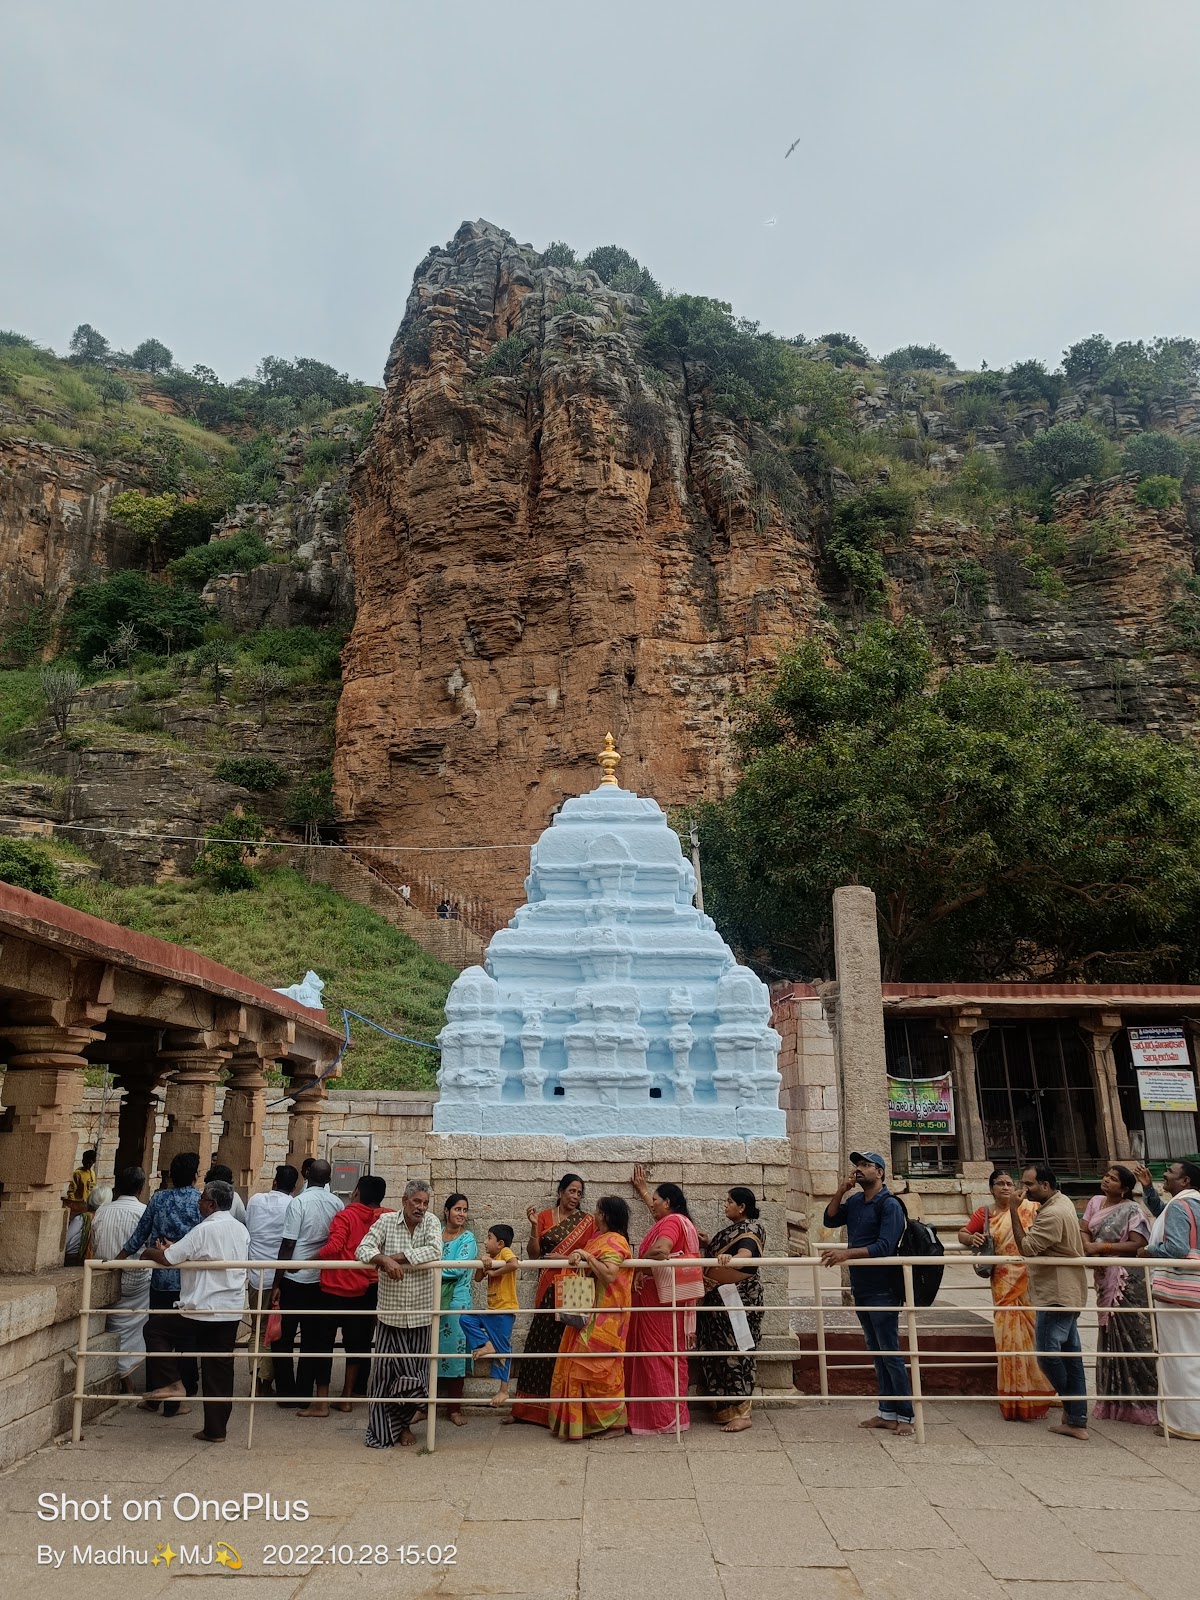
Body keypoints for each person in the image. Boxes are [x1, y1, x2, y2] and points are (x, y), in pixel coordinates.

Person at [140, 1180, 250, 1444]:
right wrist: (173, 1251)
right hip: (230, 1309)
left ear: (211, 1204)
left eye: (202, 1199)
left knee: (154, 1328)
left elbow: (168, 1258)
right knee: (219, 1371)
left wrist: (148, 1252)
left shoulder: (204, 1229)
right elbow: (191, 1254)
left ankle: (173, 1382)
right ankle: (216, 1430)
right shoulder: (239, 1229)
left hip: (202, 1310)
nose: (198, 1202)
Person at [822, 1151, 914, 1437]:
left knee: (890, 1352)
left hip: (883, 1289)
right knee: (876, 1351)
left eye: (865, 1165)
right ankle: (886, 1412)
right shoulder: (856, 1201)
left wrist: (846, 1253)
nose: (859, 1169)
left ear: (881, 1172)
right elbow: (830, 1220)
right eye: (857, 1165)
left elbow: (885, 1246)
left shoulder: (889, 1205)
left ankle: (906, 1416)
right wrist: (841, 1190)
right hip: (862, 1287)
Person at [960, 1170, 1055, 1422]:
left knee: (1036, 1336)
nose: (1005, 1187)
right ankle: (1015, 1398)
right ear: (991, 1188)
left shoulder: (1032, 1208)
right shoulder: (986, 1213)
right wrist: (972, 1237)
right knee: (1008, 1339)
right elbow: (962, 1233)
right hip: (1003, 1285)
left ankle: (1041, 1393)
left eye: (1009, 1183)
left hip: (1031, 1282)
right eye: (999, 1184)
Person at [355, 1178, 443, 1448]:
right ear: (404, 1202)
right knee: (383, 1377)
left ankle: (403, 1423)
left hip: (419, 1315)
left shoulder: (431, 1223)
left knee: (416, 1377)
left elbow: (435, 1250)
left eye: (425, 1203)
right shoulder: (385, 1222)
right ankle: (385, 1431)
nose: (421, 1207)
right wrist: (382, 1259)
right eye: (416, 1202)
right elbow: (363, 1249)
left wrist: (397, 1257)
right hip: (390, 1316)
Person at [1008, 1164, 1089, 1441]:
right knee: (1071, 1357)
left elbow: (1027, 1248)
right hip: (1065, 1291)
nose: (1024, 1189)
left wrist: (1012, 1210)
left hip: (1055, 1295)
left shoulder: (1053, 1213)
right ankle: (1077, 1419)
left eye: (1029, 1184)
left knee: (1047, 1355)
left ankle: (1072, 1407)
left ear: (1044, 1185)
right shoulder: (1061, 1201)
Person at [119, 1150, 202, 1418]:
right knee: (187, 1339)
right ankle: (182, 1394)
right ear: (195, 1176)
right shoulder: (200, 1202)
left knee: (157, 1335)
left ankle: (157, 1393)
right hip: (189, 1281)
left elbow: (140, 1234)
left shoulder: (159, 1198)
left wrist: (119, 1259)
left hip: (161, 1279)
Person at [298, 1175, 389, 1418]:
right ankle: (347, 1397)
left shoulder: (346, 1215)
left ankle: (322, 1403)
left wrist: (306, 1263)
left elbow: (334, 1246)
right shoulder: (386, 1217)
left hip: (333, 1289)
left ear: (357, 1192)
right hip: (363, 1289)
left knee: (323, 1346)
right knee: (356, 1345)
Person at [509, 1173, 596, 1424]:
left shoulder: (588, 1221)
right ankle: (528, 1410)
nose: (575, 1197)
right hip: (547, 1284)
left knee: (568, 1343)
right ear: (560, 1192)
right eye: (571, 1191)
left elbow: (590, 1253)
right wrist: (534, 1226)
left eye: (579, 1193)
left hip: (575, 1285)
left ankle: (565, 1411)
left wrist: (560, 1259)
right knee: (540, 1342)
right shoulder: (545, 1216)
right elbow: (534, 1254)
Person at [626, 1167, 703, 1436]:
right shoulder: (680, 1221)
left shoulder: (671, 1223)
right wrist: (645, 1191)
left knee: (656, 1357)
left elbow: (661, 1250)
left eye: (657, 1202)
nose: (653, 1207)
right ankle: (672, 1417)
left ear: (668, 1203)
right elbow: (660, 1217)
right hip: (669, 1303)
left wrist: (639, 1268)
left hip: (656, 1303)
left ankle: (661, 1419)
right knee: (669, 1356)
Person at [550, 1195, 633, 1440]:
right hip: (588, 1315)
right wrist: (578, 1256)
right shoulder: (598, 1239)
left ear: (605, 1215)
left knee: (600, 1371)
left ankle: (614, 1425)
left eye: (597, 1211)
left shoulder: (616, 1240)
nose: (594, 1215)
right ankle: (584, 1425)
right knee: (578, 1368)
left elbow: (609, 1274)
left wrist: (587, 1257)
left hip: (606, 1319)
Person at [1081, 1164, 1157, 1426]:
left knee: (1131, 1337)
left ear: (1124, 1189)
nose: (1106, 1181)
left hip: (1124, 1278)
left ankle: (1140, 1405)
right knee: (1109, 1336)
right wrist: (1088, 1248)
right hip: (1102, 1275)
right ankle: (1112, 1403)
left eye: (1113, 1180)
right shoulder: (1095, 1201)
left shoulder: (1132, 1209)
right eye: (1106, 1176)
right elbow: (1084, 1228)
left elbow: (1138, 1243)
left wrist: (1102, 1246)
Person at [270, 1158, 343, 1405]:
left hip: (295, 1276)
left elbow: (288, 1243)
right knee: (312, 1339)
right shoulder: (336, 1203)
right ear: (329, 1179)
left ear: (307, 1173)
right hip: (321, 1277)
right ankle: (304, 1392)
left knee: (284, 1339)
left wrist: (277, 1281)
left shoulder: (298, 1203)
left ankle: (286, 1393)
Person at [695, 1186, 767, 1433]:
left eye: (729, 1201)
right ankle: (725, 1408)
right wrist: (708, 1245)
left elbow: (746, 1253)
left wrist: (733, 1258)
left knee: (738, 1352)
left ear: (742, 1207)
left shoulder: (751, 1229)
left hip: (738, 1301)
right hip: (717, 1302)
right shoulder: (729, 1231)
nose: (725, 1205)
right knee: (718, 1353)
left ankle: (742, 1412)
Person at [1139, 1157, 1200, 1439]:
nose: (1165, 1174)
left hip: (1179, 1292)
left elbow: (1175, 1247)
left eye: (1171, 1172)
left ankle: (1184, 1425)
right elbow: (1165, 1214)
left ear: (1185, 1180)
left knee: (1179, 1356)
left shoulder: (1181, 1206)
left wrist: (1149, 1252)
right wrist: (1149, 1190)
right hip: (1194, 1291)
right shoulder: (1193, 1203)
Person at [88, 1165, 150, 1393]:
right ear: (141, 1188)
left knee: (113, 1326)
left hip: (105, 1277)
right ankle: (125, 1375)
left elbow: (95, 1244)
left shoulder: (102, 1212)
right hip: (136, 1282)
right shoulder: (144, 1212)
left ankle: (121, 1376)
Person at [244, 1164, 299, 1394]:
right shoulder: (293, 1205)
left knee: (258, 1328)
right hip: (278, 1277)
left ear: (275, 1182)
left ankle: (257, 1380)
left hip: (255, 1274)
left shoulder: (256, 1200)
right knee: (270, 1330)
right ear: (295, 1187)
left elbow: (249, 1226)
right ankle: (264, 1382)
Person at [461, 1223, 519, 1406]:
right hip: (490, 1310)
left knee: (504, 1350)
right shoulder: (492, 1257)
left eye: (489, 1238)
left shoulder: (505, 1252)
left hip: (504, 1311)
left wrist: (494, 1271)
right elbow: (478, 1279)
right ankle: (487, 1345)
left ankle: (504, 1390)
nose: (485, 1242)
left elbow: (514, 1264)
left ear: (500, 1243)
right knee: (465, 1319)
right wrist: (483, 1263)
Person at [434, 1192, 477, 1427]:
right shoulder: (434, 1234)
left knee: (455, 1350)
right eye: (457, 1209)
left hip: (456, 1303)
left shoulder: (467, 1239)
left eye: (465, 1210)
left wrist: (430, 1269)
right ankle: (424, 1405)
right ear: (446, 1211)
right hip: (431, 1301)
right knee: (429, 1350)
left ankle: (454, 1408)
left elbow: (458, 1269)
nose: (461, 1214)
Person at [63, 1147, 98, 1263]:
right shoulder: (77, 1173)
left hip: (88, 1205)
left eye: (90, 1162)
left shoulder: (92, 1173)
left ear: (93, 1162)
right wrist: (73, 1204)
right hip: (78, 1206)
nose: (87, 1164)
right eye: (85, 1161)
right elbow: (71, 1190)